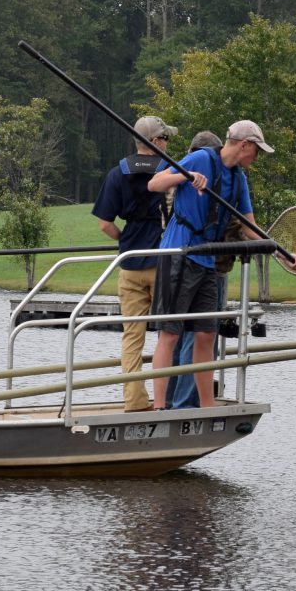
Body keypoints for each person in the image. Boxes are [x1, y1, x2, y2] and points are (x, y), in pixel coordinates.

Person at [146, 120, 296, 410]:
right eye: (256, 152)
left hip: (208, 260)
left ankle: (207, 405)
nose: (256, 159)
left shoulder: (239, 178)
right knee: (170, 332)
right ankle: (159, 406)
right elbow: (154, 184)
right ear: (244, 145)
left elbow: (249, 227)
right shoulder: (201, 158)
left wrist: (282, 254)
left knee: (206, 333)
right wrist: (186, 176)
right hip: (178, 254)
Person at [91, 114, 177, 412]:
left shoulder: (117, 173)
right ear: (155, 142)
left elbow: (104, 223)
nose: (168, 144)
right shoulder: (171, 171)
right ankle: (170, 399)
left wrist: (124, 239)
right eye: (166, 139)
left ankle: (135, 401)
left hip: (130, 264)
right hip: (163, 260)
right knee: (169, 333)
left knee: (132, 336)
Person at [168, 131, 223, 410]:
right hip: (188, 260)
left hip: (204, 263)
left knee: (195, 335)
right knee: (184, 336)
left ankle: (179, 401)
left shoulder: (223, 180)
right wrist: (186, 175)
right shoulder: (188, 179)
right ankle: (180, 403)